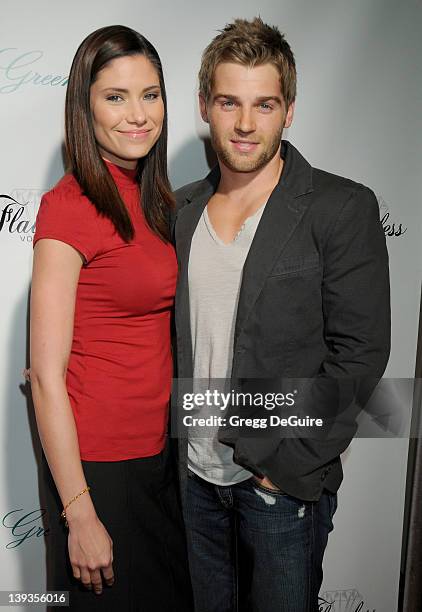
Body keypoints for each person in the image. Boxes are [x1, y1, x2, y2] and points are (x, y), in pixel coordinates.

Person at [172, 17, 390, 612]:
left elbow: (360, 356)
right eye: (229, 102)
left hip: (279, 489)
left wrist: (287, 468)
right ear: (204, 106)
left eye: (264, 104)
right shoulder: (182, 210)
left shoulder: (340, 207)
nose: (245, 124)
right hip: (194, 481)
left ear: (288, 110)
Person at [30, 25, 192, 611]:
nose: (138, 115)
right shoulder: (68, 208)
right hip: (100, 470)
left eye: (150, 94)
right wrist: (81, 514)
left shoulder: (160, 202)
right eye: (115, 96)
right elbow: (45, 377)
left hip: (164, 456)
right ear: (85, 106)